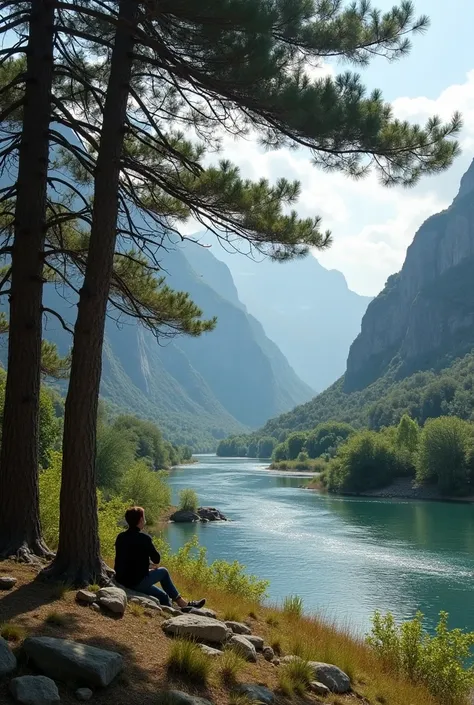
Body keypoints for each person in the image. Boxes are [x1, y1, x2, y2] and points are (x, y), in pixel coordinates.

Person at [114, 506, 206, 610]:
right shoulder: (144, 538)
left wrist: (146, 566)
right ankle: (182, 604)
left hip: (122, 580)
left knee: (164, 597)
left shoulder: (121, 537)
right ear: (140, 520)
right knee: (163, 572)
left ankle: (177, 611)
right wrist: (150, 565)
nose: (145, 520)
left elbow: (127, 559)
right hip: (136, 582)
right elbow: (156, 559)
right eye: (144, 517)